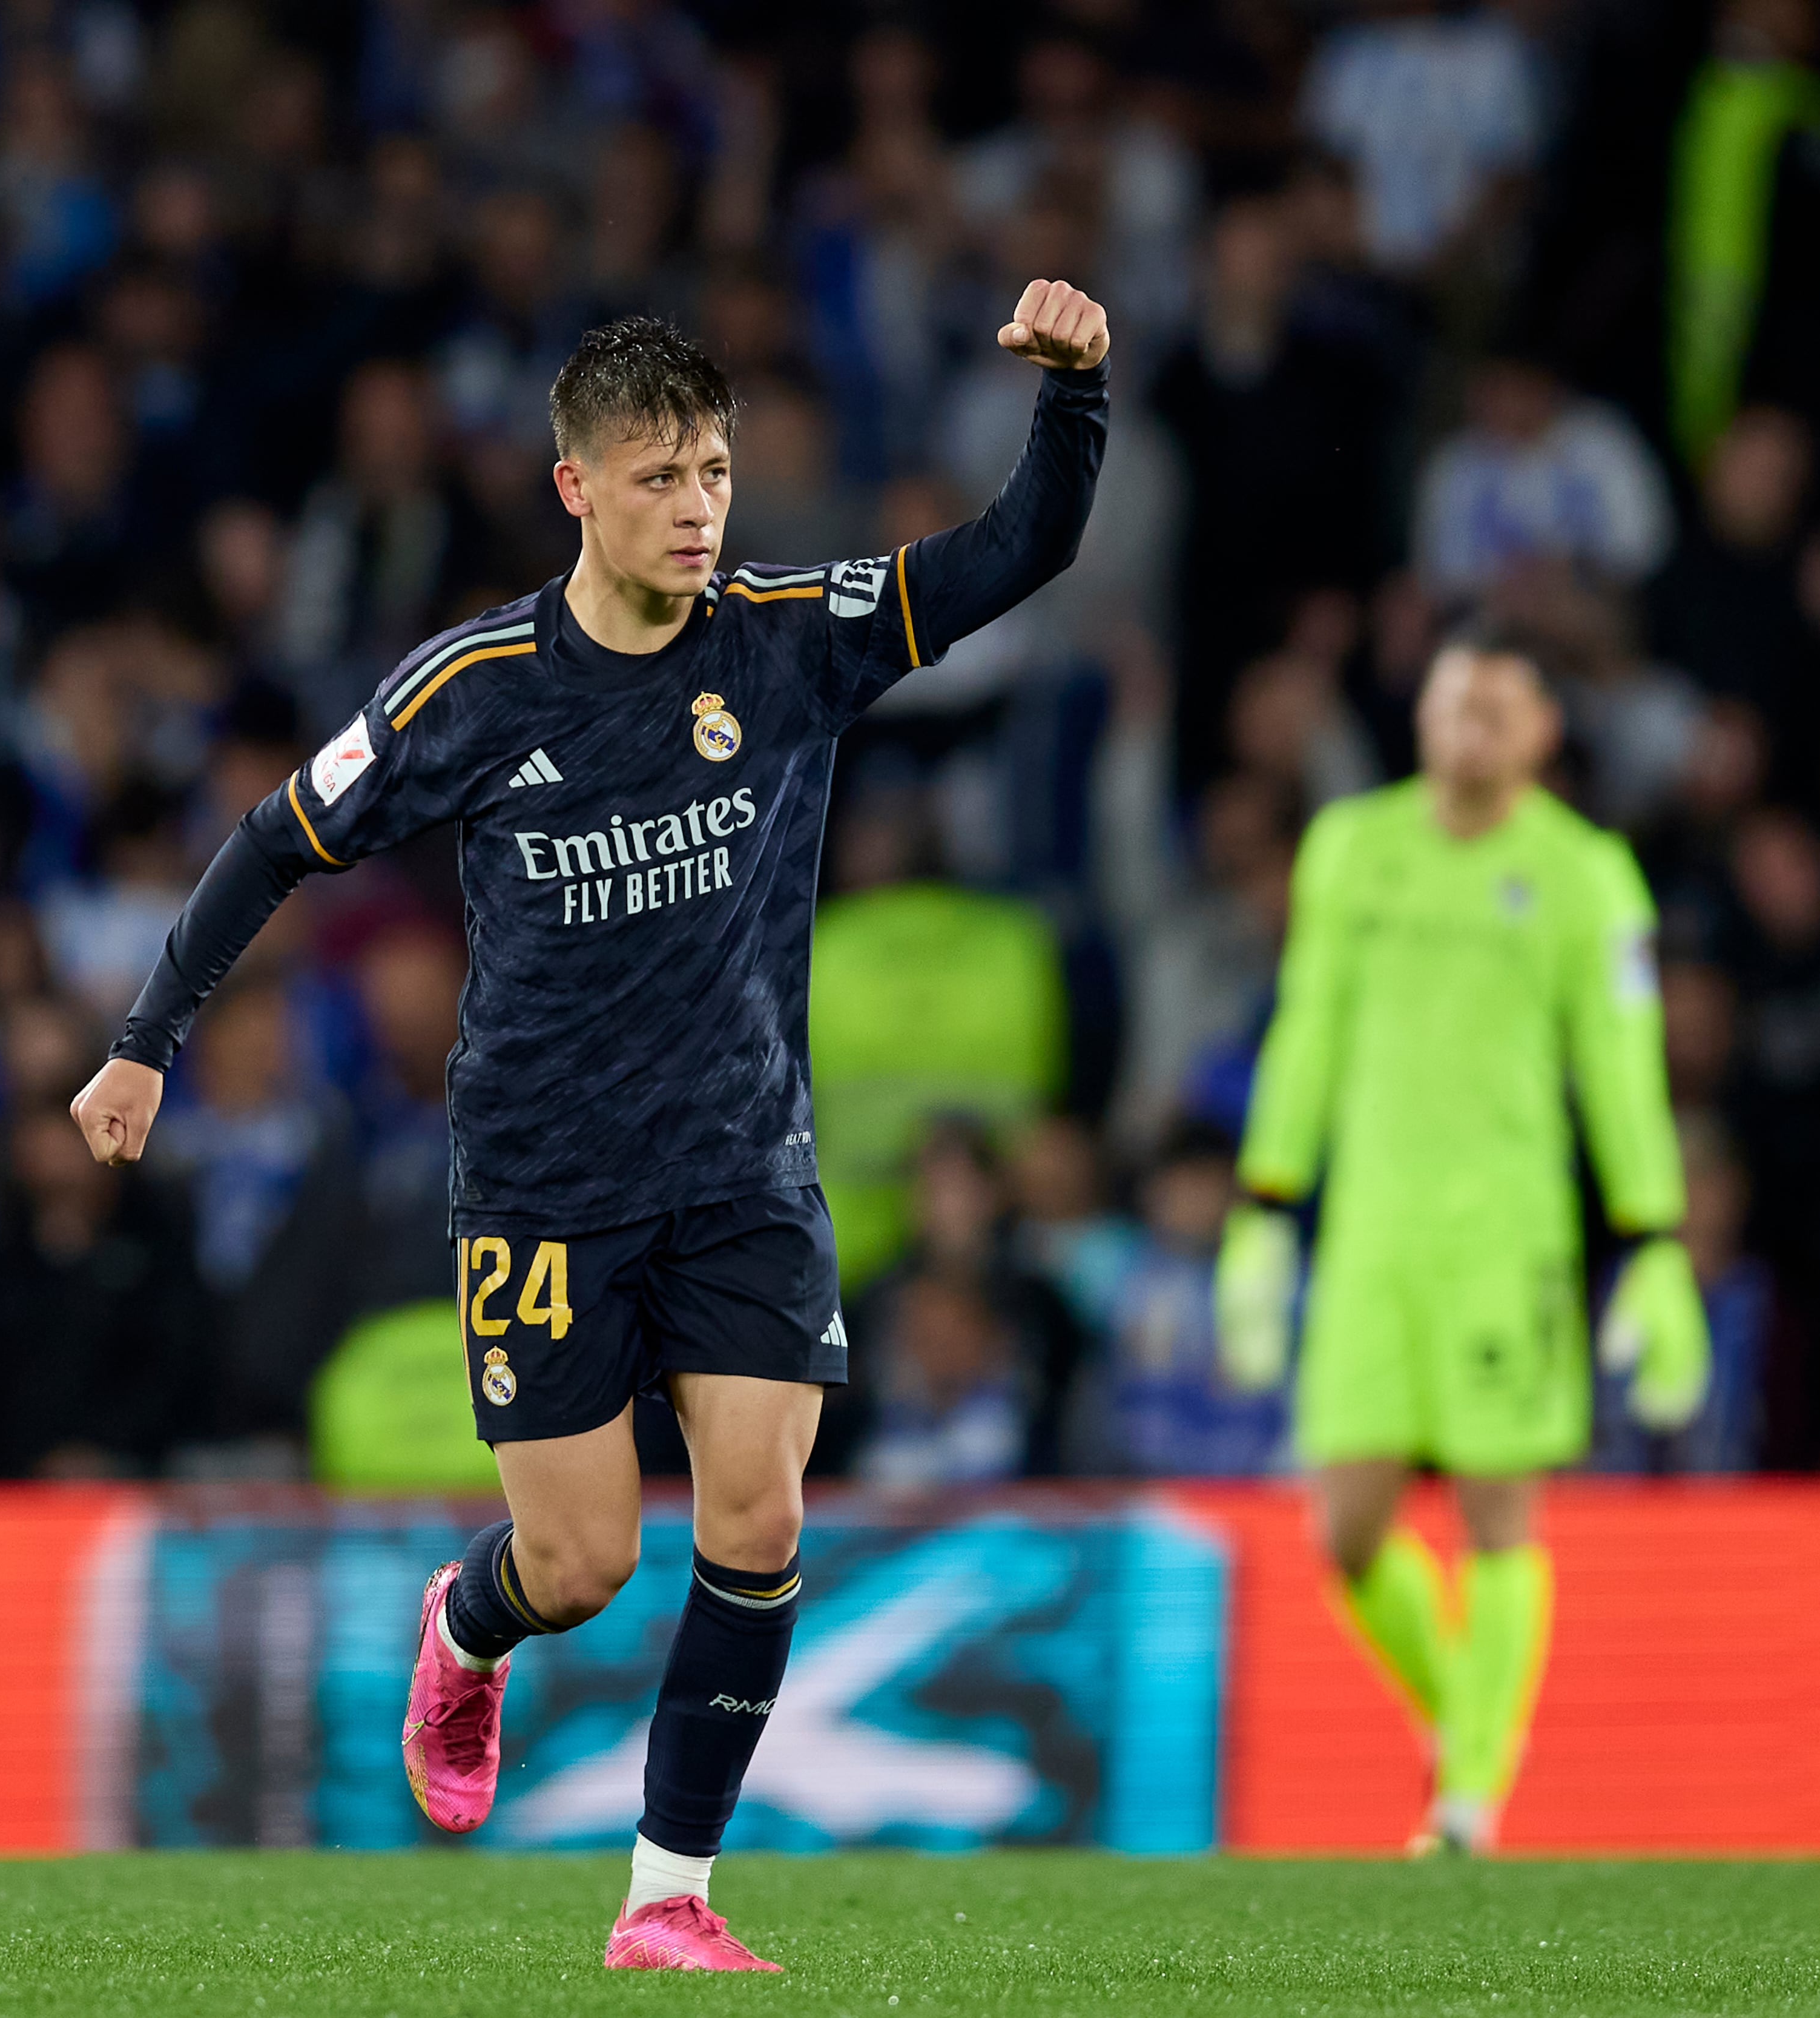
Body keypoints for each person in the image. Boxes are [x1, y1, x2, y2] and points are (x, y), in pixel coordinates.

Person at [68, 287, 1109, 1968]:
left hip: (743, 1165)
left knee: (759, 1516)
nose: (698, 509)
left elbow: (1019, 552)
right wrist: (144, 1044)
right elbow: (272, 837)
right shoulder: (473, 689)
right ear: (575, 489)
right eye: (657, 478)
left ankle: (667, 1893)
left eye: (713, 470)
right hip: (548, 1185)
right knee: (580, 1559)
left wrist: (1077, 395)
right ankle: (467, 1625)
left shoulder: (793, 632)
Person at [1213, 631, 1707, 1855]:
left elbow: (1621, 1069)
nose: (1473, 723)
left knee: (1498, 1510)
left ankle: (1470, 1800)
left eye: (1501, 704)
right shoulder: (1354, 849)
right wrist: (1265, 1208)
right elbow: (1307, 1033)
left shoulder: (1586, 876)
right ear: (1421, 713)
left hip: (1508, 1240)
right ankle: (1466, 1719)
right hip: (1373, 1234)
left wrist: (1652, 1239)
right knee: (1348, 1530)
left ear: (1545, 730)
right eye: (1454, 698)